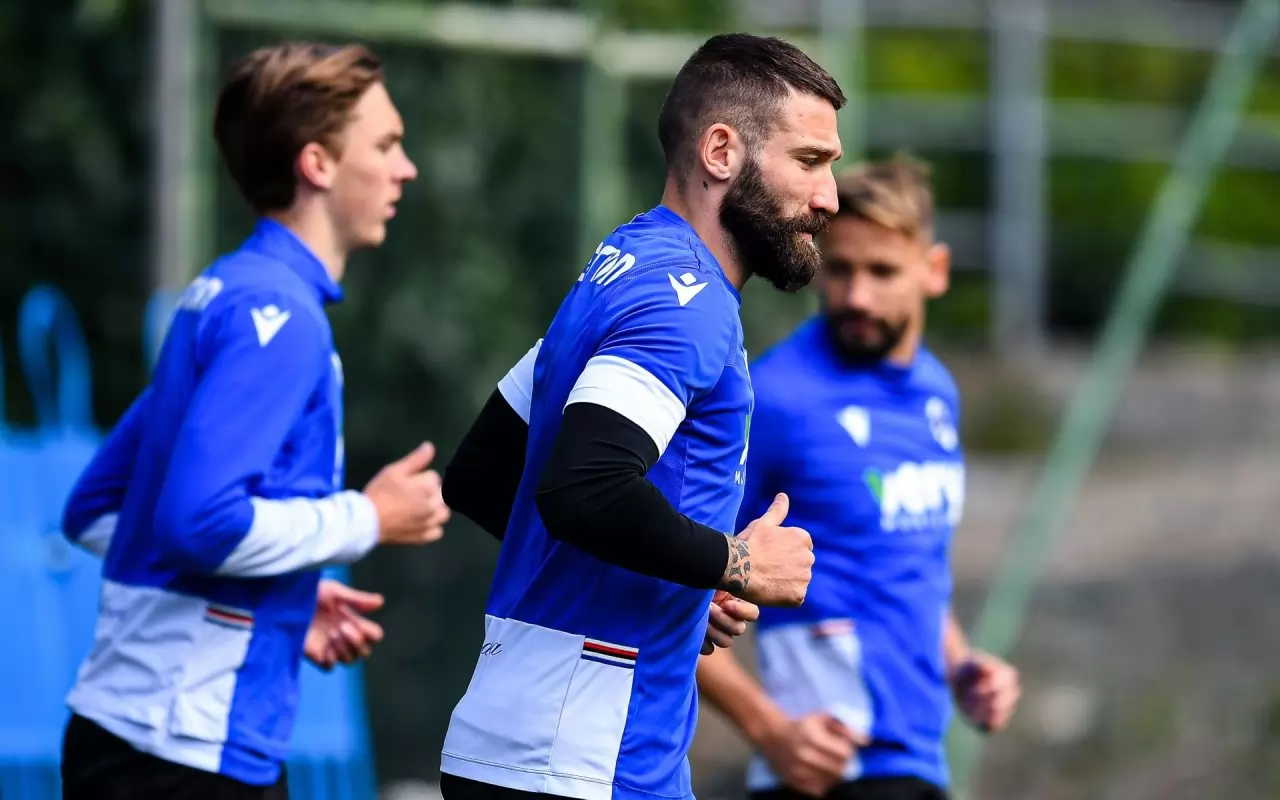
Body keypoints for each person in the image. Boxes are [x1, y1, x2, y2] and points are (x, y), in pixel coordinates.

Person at [437, 32, 845, 800]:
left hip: (517, 743)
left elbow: (482, 475)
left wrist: (682, 575)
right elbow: (583, 489)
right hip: (587, 765)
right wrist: (738, 564)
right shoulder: (687, 302)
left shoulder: (617, 269)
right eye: (810, 161)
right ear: (721, 152)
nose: (829, 197)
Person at [57, 42, 451, 800]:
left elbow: (98, 509)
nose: (405, 168)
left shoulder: (222, 291)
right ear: (318, 164)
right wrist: (365, 518)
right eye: (385, 145)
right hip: (180, 755)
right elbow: (196, 523)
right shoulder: (280, 318)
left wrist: (275, 591)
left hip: (143, 742)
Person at [695, 156, 1022, 800]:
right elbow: (664, 579)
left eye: (882, 271)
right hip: (822, 773)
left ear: (934, 271)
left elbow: (906, 567)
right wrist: (770, 730)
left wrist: (962, 667)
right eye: (840, 269)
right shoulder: (774, 398)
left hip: (918, 762)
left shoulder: (937, 392)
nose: (857, 296)